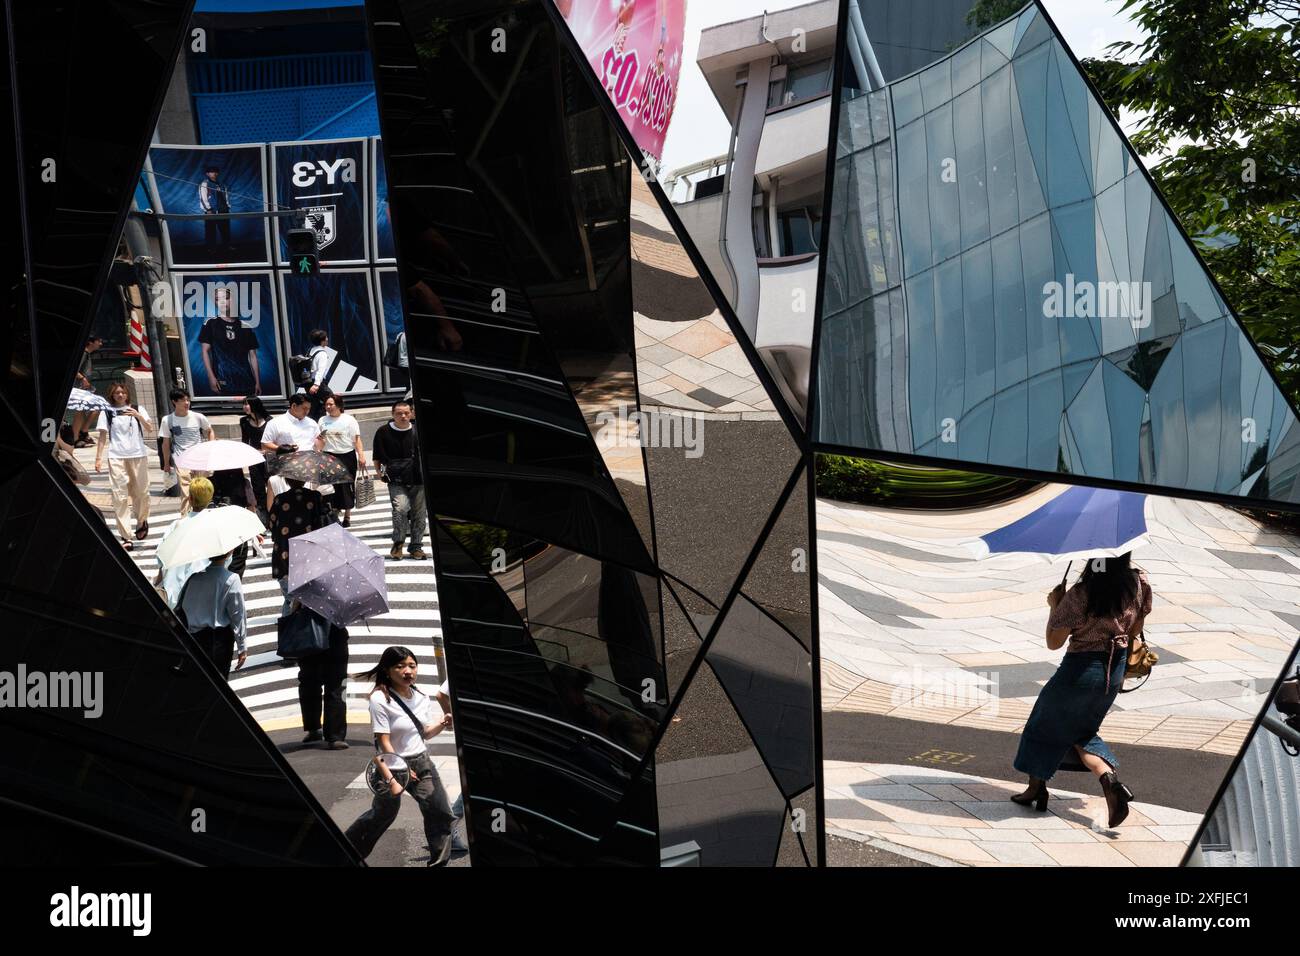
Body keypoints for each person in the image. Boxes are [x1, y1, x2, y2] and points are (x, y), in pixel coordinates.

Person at [1012, 552, 1152, 828]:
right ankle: (1109, 780)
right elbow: (1135, 628)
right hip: (1113, 673)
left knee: (1042, 724)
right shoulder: (1139, 583)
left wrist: (1056, 604)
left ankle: (1036, 788)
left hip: (1079, 670)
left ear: (1093, 560)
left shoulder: (1081, 593)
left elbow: (1054, 641)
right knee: (1083, 732)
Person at [344, 647, 454, 865]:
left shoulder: (420, 697)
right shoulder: (380, 699)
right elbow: (383, 742)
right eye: (400, 666)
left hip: (421, 761)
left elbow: (425, 734)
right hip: (392, 766)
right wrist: (397, 775)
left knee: (439, 811)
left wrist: (443, 722)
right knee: (383, 815)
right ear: (387, 670)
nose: (408, 671)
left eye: (412, 666)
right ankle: (345, 850)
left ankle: (438, 863)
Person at [94, 381, 154, 549]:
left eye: (122, 392)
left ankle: (142, 520)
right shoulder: (107, 412)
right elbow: (102, 437)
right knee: (119, 496)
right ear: (112, 395)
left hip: (138, 455)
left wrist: (138, 416)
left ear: (127, 394)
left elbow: (149, 429)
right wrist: (98, 458)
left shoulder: (138, 408)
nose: (120, 395)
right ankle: (126, 536)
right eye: (116, 393)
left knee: (142, 492)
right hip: (116, 457)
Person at [177, 549, 248, 679]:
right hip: (218, 641)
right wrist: (242, 646)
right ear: (229, 553)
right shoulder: (231, 579)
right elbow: (237, 614)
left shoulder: (194, 578)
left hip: (193, 639)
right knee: (218, 684)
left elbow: (181, 606)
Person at [268, 476, 329, 616]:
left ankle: (289, 630)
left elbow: (271, 525)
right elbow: (323, 523)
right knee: (312, 597)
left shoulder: (280, 499)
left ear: (286, 481)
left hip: (285, 554)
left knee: (290, 598)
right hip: (311, 553)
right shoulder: (315, 497)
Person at [372, 399, 425, 561]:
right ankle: (398, 542)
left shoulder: (418, 431)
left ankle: (416, 546)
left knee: (419, 513)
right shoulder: (383, 431)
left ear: (412, 413)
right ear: (392, 414)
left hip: (418, 477)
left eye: (406, 413)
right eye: (399, 413)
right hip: (395, 477)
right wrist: (379, 473)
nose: (403, 416)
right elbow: (377, 456)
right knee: (400, 509)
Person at [154, 476, 215, 607]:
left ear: (190, 499)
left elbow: (161, 557)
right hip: (202, 594)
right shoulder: (213, 528)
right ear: (210, 498)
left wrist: (157, 582)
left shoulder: (176, 526)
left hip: (174, 592)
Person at [297, 606, 351, 749]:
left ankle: (314, 729)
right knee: (336, 686)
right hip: (335, 637)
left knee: (309, 685)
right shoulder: (342, 589)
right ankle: (335, 736)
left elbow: (294, 610)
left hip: (309, 635)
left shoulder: (305, 586)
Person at [160, 388, 214, 515]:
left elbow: (210, 430)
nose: (187, 403)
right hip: (181, 458)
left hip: (199, 457)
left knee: (202, 489)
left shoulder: (198, 417)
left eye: (188, 400)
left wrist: (210, 448)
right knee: (186, 490)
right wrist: (166, 463)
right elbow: (166, 443)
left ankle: (202, 514)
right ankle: (185, 517)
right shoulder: (168, 420)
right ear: (174, 402)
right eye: (183, 400)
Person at [198, 286, 260, 396]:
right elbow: (204, 352)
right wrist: (211, 377)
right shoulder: (210, 324)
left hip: (246, 381)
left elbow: (253, 356)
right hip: (223, 381)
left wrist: (257, 382)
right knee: (227, 411)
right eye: (218, 299)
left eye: (226, 298)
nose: (222, 302)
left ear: (233, 299)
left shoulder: (246, 326)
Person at [315, 393, 365, 527]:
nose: (328, 407)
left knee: (347, 486)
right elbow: (320, 438)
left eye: (331, 404)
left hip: (347, 455)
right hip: (329, 456)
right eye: (327, 404)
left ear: (339, 405)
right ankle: (334, 512)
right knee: (332, 486)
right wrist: (318, 452)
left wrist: (361, 455)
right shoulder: (322, 420)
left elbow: (357, 439)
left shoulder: (349, 420)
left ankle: (347, 515)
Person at [239, 396, 271, 522]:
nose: (245, 407)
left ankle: (272, 512)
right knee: (258, 488)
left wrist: (266, 450)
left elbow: (273, 440)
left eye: (247, 404)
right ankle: (263, 516)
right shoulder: (244, 421)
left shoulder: (269, 420)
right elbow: (245, 440)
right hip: (253, 457)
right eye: (244, 404)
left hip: (268, 457)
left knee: (271, 484)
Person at [71, 335, 105, 446]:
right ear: (91, 342)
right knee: (80, 411)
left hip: (85, 387)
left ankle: (83, 432)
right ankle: (75, 438)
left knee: (96, 408)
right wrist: (83, 378)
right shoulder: (83, 354)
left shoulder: (87, 355)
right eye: (98, 341)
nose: (100, 344)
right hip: (79, 387)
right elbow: (73, 369)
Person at [199, 165, 231, 253]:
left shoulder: (221, 184)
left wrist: (227, 206)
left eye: (216, 172)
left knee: (225, 230)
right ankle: (211, 248)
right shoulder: (204, 184)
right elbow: (203, 198)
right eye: (212, 172)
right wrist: (208, 209)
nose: (214, 173)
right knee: (210, 231)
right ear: (207, 174)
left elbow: (226, 196)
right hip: (212, 211)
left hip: (223, 210)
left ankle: (227, 246)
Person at [306, 329, 333, 418]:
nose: (327, 339)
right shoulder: (322, 354)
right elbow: (320, 371)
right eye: (326, 337)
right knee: (333, 400)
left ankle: (317, 424)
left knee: (316, 406)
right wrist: (317, 385)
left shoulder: (311, 350)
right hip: (317, 383)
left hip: (309, 382)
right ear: (322, 341)